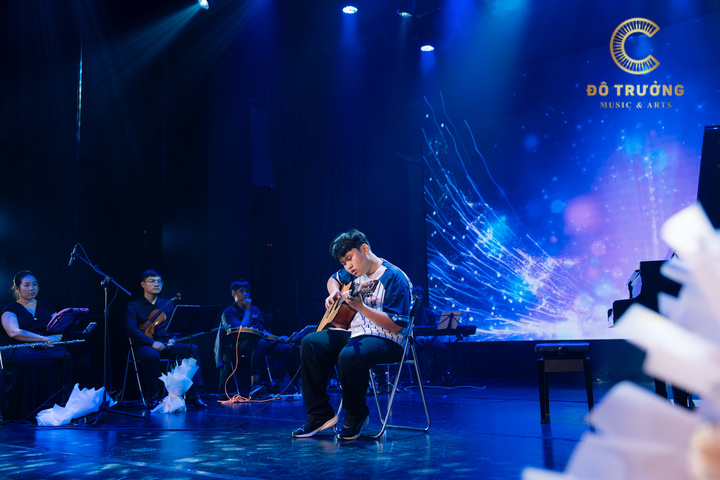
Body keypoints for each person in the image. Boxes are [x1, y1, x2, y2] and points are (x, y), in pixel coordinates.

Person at [292, 229, 412, 440]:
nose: (348, 266)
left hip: (388, 339)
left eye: (349, 258)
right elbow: (333, 279)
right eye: (343, 263)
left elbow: (397, 325)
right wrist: (334, 292)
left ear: (364, 249)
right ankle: (319, 414)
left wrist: (361, 308)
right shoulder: (355, 273)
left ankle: (356, 414)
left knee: (349, 354)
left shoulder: (394, 277)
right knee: (310, 343)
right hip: (355, 334)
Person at [124, 270, 206, 408]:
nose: (156, 284)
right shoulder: (134, 305)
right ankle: (154, 394)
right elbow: (131, 330)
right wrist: (152, 342)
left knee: (192, 349)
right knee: (150, 355)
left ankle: (194, 393)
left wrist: (173, 338)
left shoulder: (168, 304)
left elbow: (175, 327)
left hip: (166, 344)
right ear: (143, 284)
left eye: (159, 281)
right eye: (152, 281)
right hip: (146, 345)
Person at [1, 271, 72, 420]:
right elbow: (13, 332)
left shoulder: (47, 306)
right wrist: (42, 339)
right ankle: (25, 410)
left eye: (34, 285)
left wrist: (51, 340)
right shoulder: (10, 309)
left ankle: (57, 407)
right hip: (20, 347)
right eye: (27, 285)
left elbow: (60, 329)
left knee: (64, 355)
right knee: (27, 359)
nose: (32, 288)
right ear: (17, 288)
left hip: (46, 346)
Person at [215, 279, 296, 397]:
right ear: (233, 294)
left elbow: (262, 330)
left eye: (247, 291)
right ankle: (255, 385)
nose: (245, 294)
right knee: (260, 342)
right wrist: (247, 309)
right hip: (238, 344)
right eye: (241, 291)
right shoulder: (229, 312)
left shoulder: (255, 310)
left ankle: (274, 383)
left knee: (287, 349)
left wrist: (277, 338)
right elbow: (241, 330)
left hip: (259, 343)